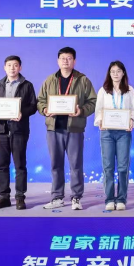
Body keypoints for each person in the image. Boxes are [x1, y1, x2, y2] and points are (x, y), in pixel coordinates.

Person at [37, 47, 97, 211]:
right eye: (63, 58)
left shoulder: (83, 80)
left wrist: (81, 111)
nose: (65, 61)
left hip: (74, 128)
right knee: (55, 164)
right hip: (54, 128)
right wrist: (45, 110)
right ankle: (57, 197)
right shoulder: (50, 80)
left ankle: (76, 197)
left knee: (76, 165)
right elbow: (40, 100)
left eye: (69, 58)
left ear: (74, 61)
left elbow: (93, 101)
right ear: (58, 61)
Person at [0, 55, 38, 211]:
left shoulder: (27, 85)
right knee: (2, 165)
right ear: (5, 67)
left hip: (19, 130)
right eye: (9, 65)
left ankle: (20, 197)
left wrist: (22, 113)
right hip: (1, 130)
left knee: (20, 165)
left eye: (15, 65)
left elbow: (33, 106)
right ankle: (4, 197)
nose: (12, 68)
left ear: (20, 67)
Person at [94, 60, 134, 211]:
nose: (115, 74)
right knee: (108, 167)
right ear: (109, 73)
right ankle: (109, 199)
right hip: (107, 132)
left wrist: (131, 119)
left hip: (123, 133)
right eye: (113, 71)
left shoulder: (130, 90)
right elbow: (99, 109)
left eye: (118, 71)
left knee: (123, 167)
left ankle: (121, 199)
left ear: (123, 73)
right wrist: (100, 120)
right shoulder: (103, 90)